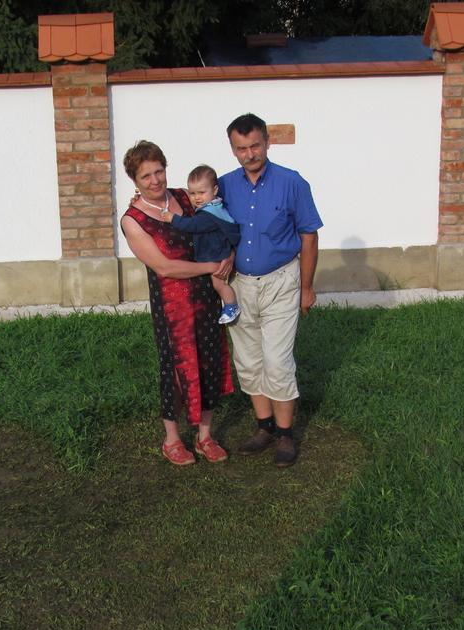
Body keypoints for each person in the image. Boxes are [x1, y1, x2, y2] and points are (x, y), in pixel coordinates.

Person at [120, 140, 235, 466]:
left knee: (209, 361)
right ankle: (171, 439)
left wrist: (228, 252)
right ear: (135, 181)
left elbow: (218, 223)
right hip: (174, 307)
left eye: (159, 171)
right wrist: (210, 267)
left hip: (207, 298)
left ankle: (204, 437)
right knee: (175, 370)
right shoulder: (133, 219)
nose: (155, 180)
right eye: (146, 176)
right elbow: (164, 267)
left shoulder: (186, 197)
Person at [218, 114, 323, 468]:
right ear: (233, 150)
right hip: (238, 286)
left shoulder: (292, 183)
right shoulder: (223, 186)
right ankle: (263, 428)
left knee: (277, 362)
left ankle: (285, 434)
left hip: (281, 281)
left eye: (255, 146)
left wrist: (306, 287)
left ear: (267, 143)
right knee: (248, 361)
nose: (250, 154)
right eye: (242, 148)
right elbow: (197, 213)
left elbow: (309, 235)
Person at [161, 165, 242, 324]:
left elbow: (192, 226)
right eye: (192, 193)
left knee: (218, 284)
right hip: (217, 251)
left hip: (217, 255)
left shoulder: (209, 215)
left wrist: (173, 218)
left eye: (201, 192)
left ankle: (232, 306)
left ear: (215, 189)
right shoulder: (213, 207)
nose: (197, 197)